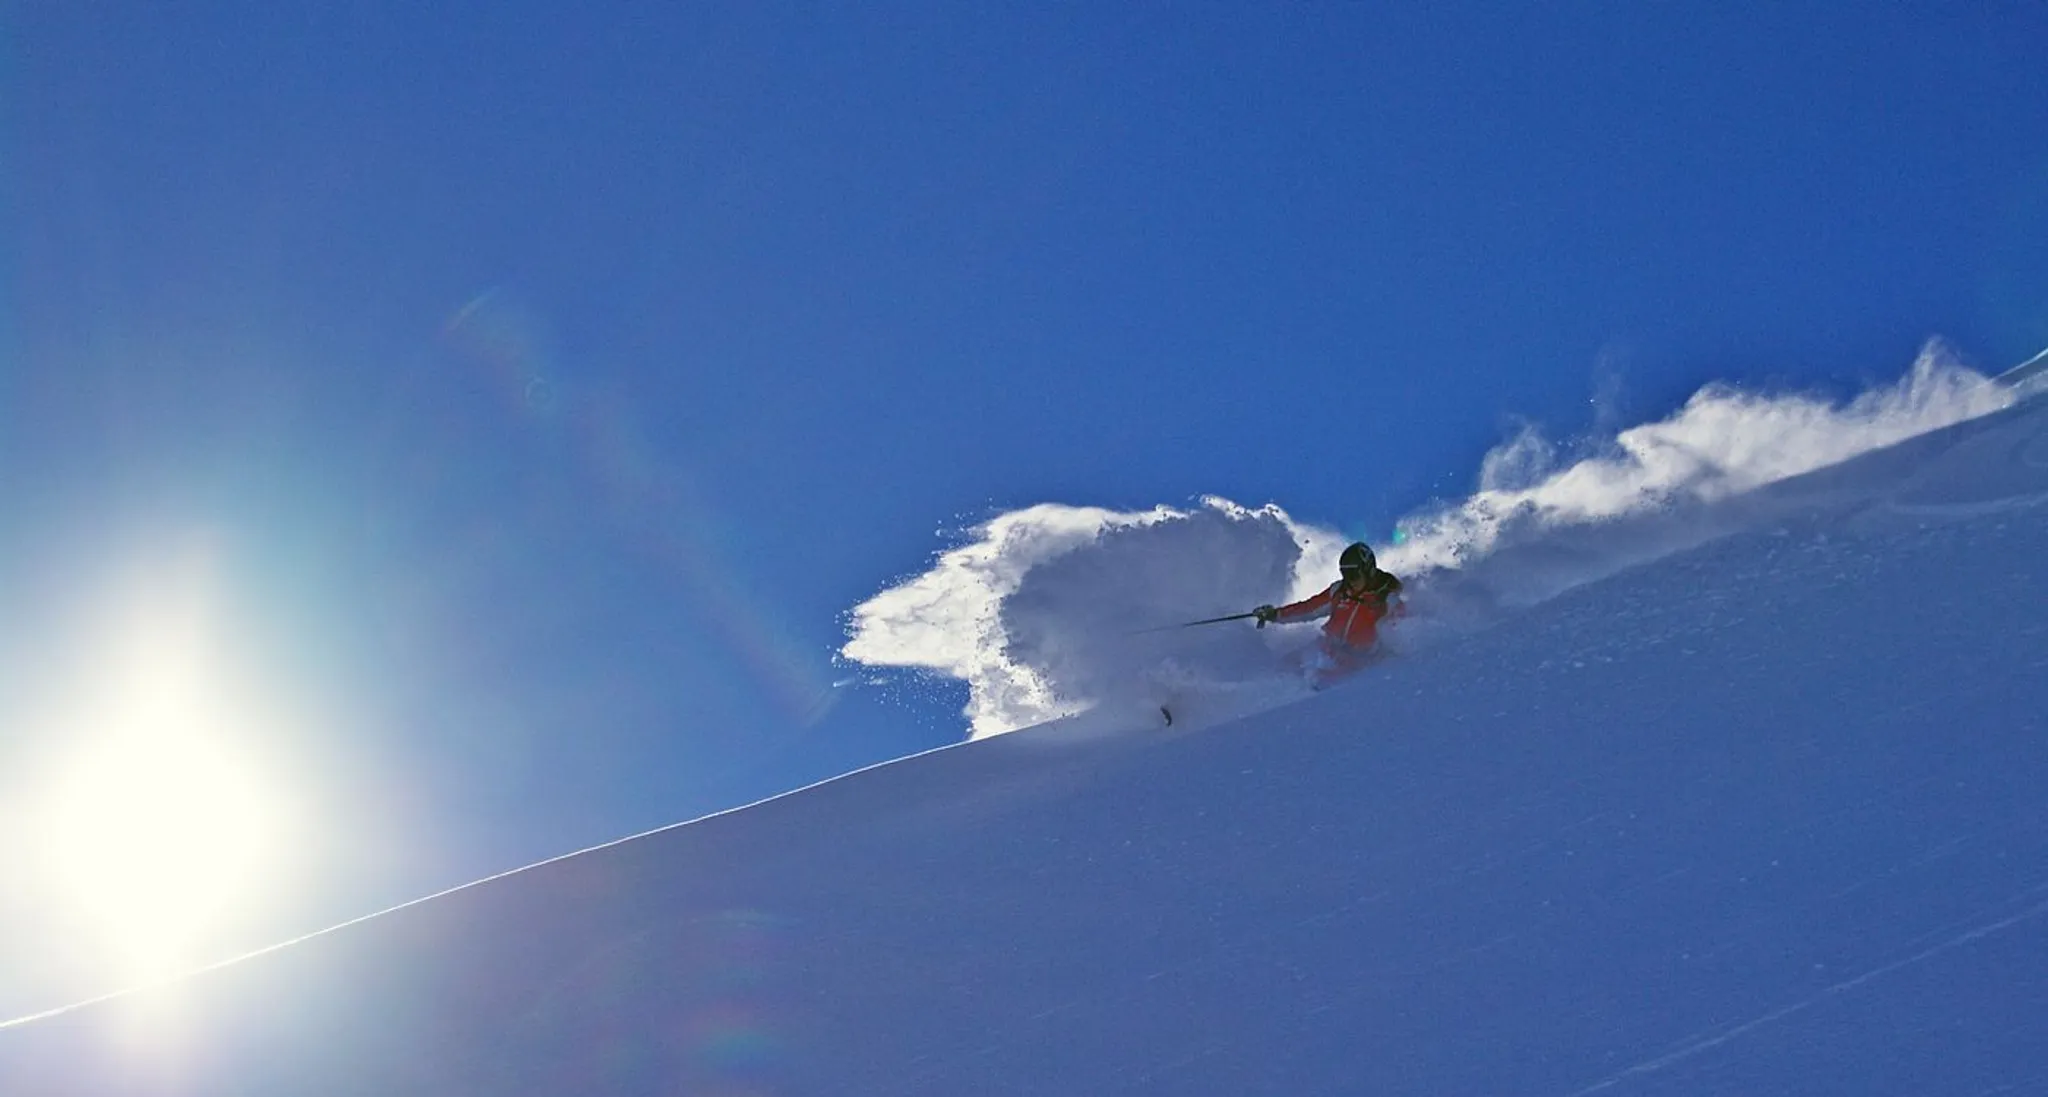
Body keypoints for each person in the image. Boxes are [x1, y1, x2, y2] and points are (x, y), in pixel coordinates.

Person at [1254, 541, 1404, 686]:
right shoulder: (1338, 591)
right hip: (1327, 648)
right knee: (1283, 668)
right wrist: (1275, 614)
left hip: (1358, 661)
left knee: (1319, 682)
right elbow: (1308, 608)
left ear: (1368, 570)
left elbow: (1403, 634)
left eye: (1354, 574)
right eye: (1344, 573)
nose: (1349, 580)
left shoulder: (1387, 600)